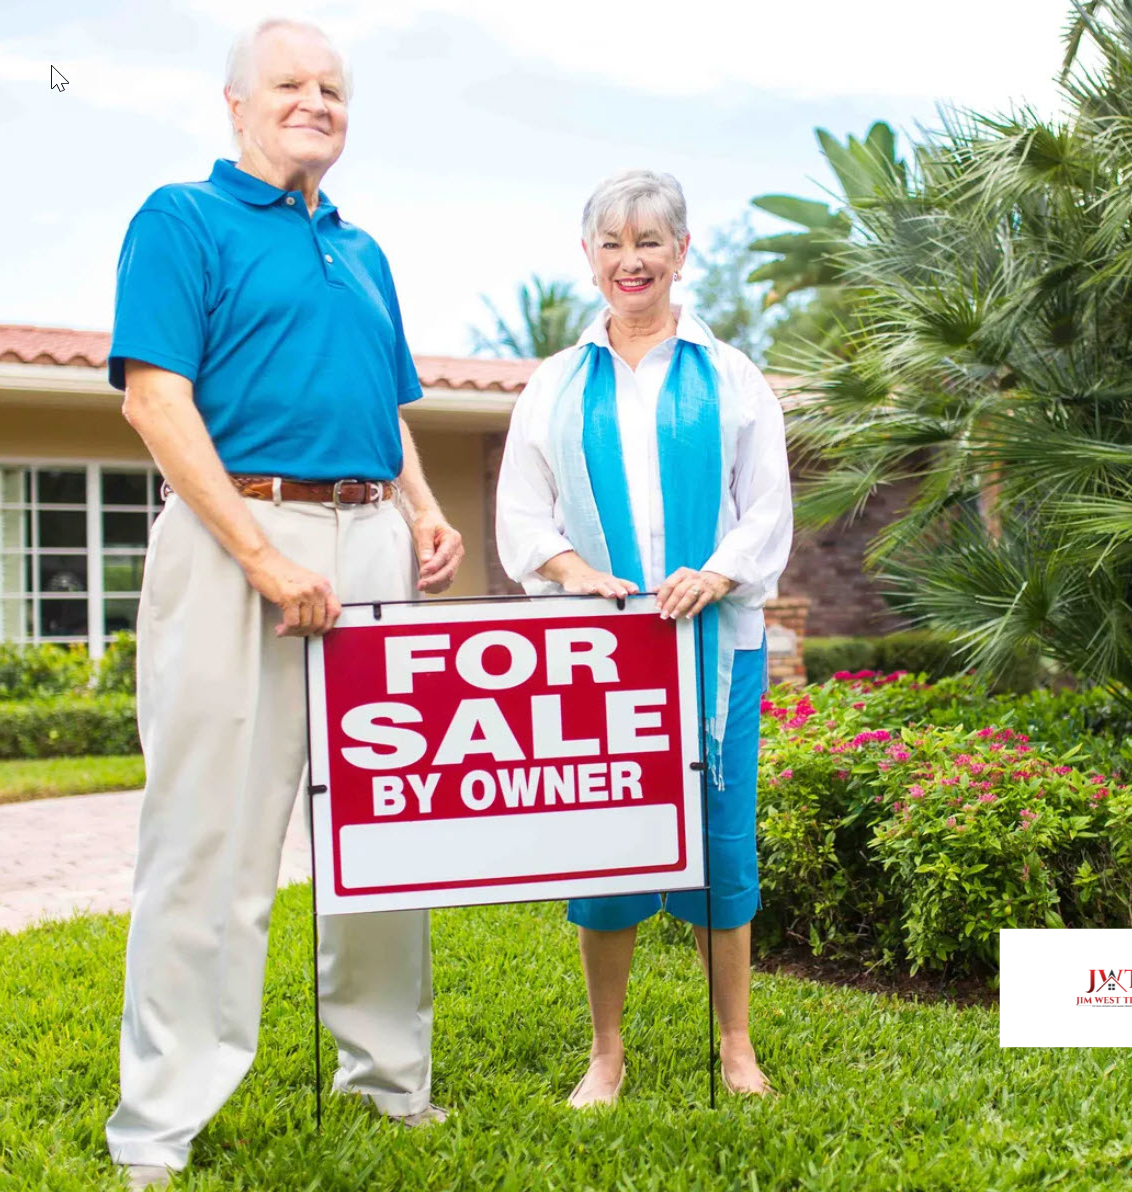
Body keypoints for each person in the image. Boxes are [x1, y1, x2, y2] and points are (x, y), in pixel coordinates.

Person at [104, 19, 462, 1188]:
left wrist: (418, 510)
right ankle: (160, 1125)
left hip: (367, 547)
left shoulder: (360, 252)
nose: (316, 102)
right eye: (292, 85)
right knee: (210, 841)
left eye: (334, 89)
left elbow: (385, 403)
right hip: (236, 548)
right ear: (235, 105)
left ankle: (389, 1080)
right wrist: (264, 558)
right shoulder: (181, 220)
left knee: (382, 837)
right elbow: (157, 405)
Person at [495, 168, 793, 1106]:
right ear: (589, 257)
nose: (632, 261)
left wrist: (717, 572)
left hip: (718, 651)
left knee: (723, 843)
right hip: (601, 655)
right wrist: (580, 575)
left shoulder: (732, 376)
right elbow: (521, 514)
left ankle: (737, 1046)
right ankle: (606, 1050)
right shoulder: (555, 384)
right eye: (614, 244)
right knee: (608, 846)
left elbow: (768, 508)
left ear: (682, 253)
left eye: (650, 242)